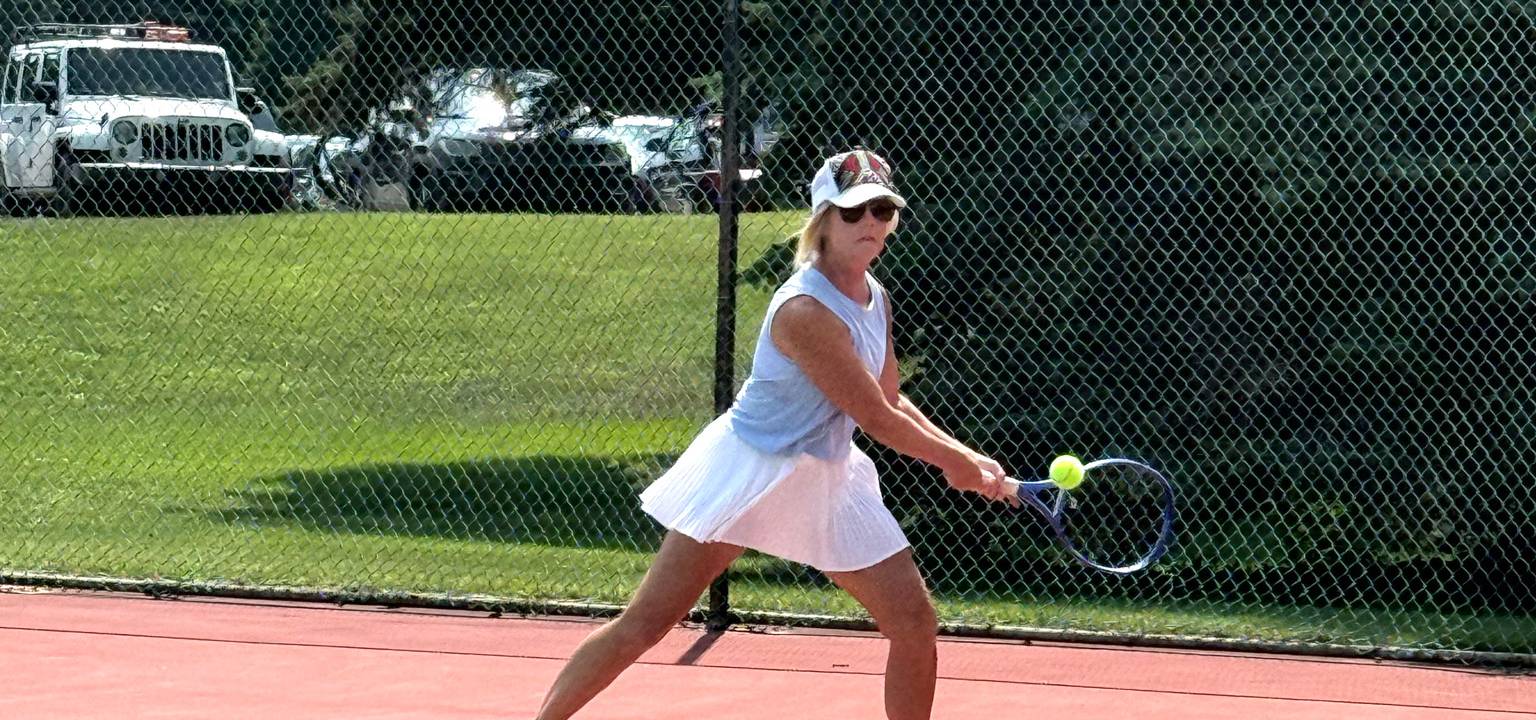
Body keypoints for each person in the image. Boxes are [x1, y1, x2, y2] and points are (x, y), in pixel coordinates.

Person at [534, 149, 1017, 720]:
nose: (870, 222)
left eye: (882, 209)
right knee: (647, 623)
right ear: (823, 220)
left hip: (827, 477)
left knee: (913, 622)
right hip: (753, 470)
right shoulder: (805, 311)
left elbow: (889, 397)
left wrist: (966, 454)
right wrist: (952, 464)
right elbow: (877, 420)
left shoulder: (875, 296)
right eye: (854, 211)